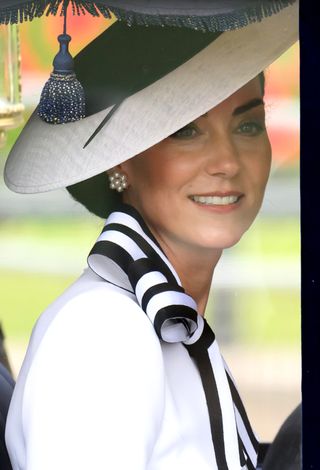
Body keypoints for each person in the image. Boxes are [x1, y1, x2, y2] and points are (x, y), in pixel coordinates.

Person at [3, 2, 298, 469]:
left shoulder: (168, 327)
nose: (227, 161)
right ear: (123, 160)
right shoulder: (102, 332)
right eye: (186, 131)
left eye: (247, 125)